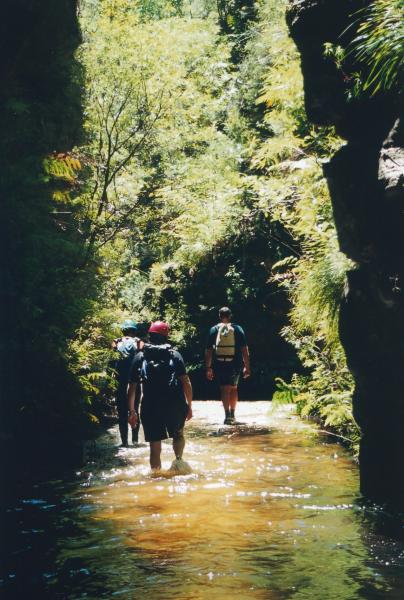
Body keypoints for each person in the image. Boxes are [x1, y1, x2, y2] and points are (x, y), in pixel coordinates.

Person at [127, 321, 193, 470]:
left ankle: (156, 477)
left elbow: (132, 387)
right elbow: (186, 382)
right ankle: (178, 460)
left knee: (155, 447)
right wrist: (189, 405)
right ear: (166, 335)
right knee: (178, 434)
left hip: (150, 405)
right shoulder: (174, 354)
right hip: (174, 403)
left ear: (150, 335)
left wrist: (132, 411)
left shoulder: (140, 356)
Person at [205, 306, 251, 424]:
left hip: (219, 362)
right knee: (234, 388)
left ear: (219, 316)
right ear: (230, 316)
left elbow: (209, 350)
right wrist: (247, 366)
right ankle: (233, 414)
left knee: (224, 388)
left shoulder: (214, 329)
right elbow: (244, 349)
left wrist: (208, 367)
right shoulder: (237, 328)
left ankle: (227, 416)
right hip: (235, 362)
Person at [111, 319, 141, 447]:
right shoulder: (139, 342)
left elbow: (112, 353)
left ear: (123, 330)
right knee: (134, 410)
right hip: (135, 381)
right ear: (134, 331)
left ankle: (124, 443)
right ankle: (135, 441)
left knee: (122, 412)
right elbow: (141, 353)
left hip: (120, 382)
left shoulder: (116, 342)